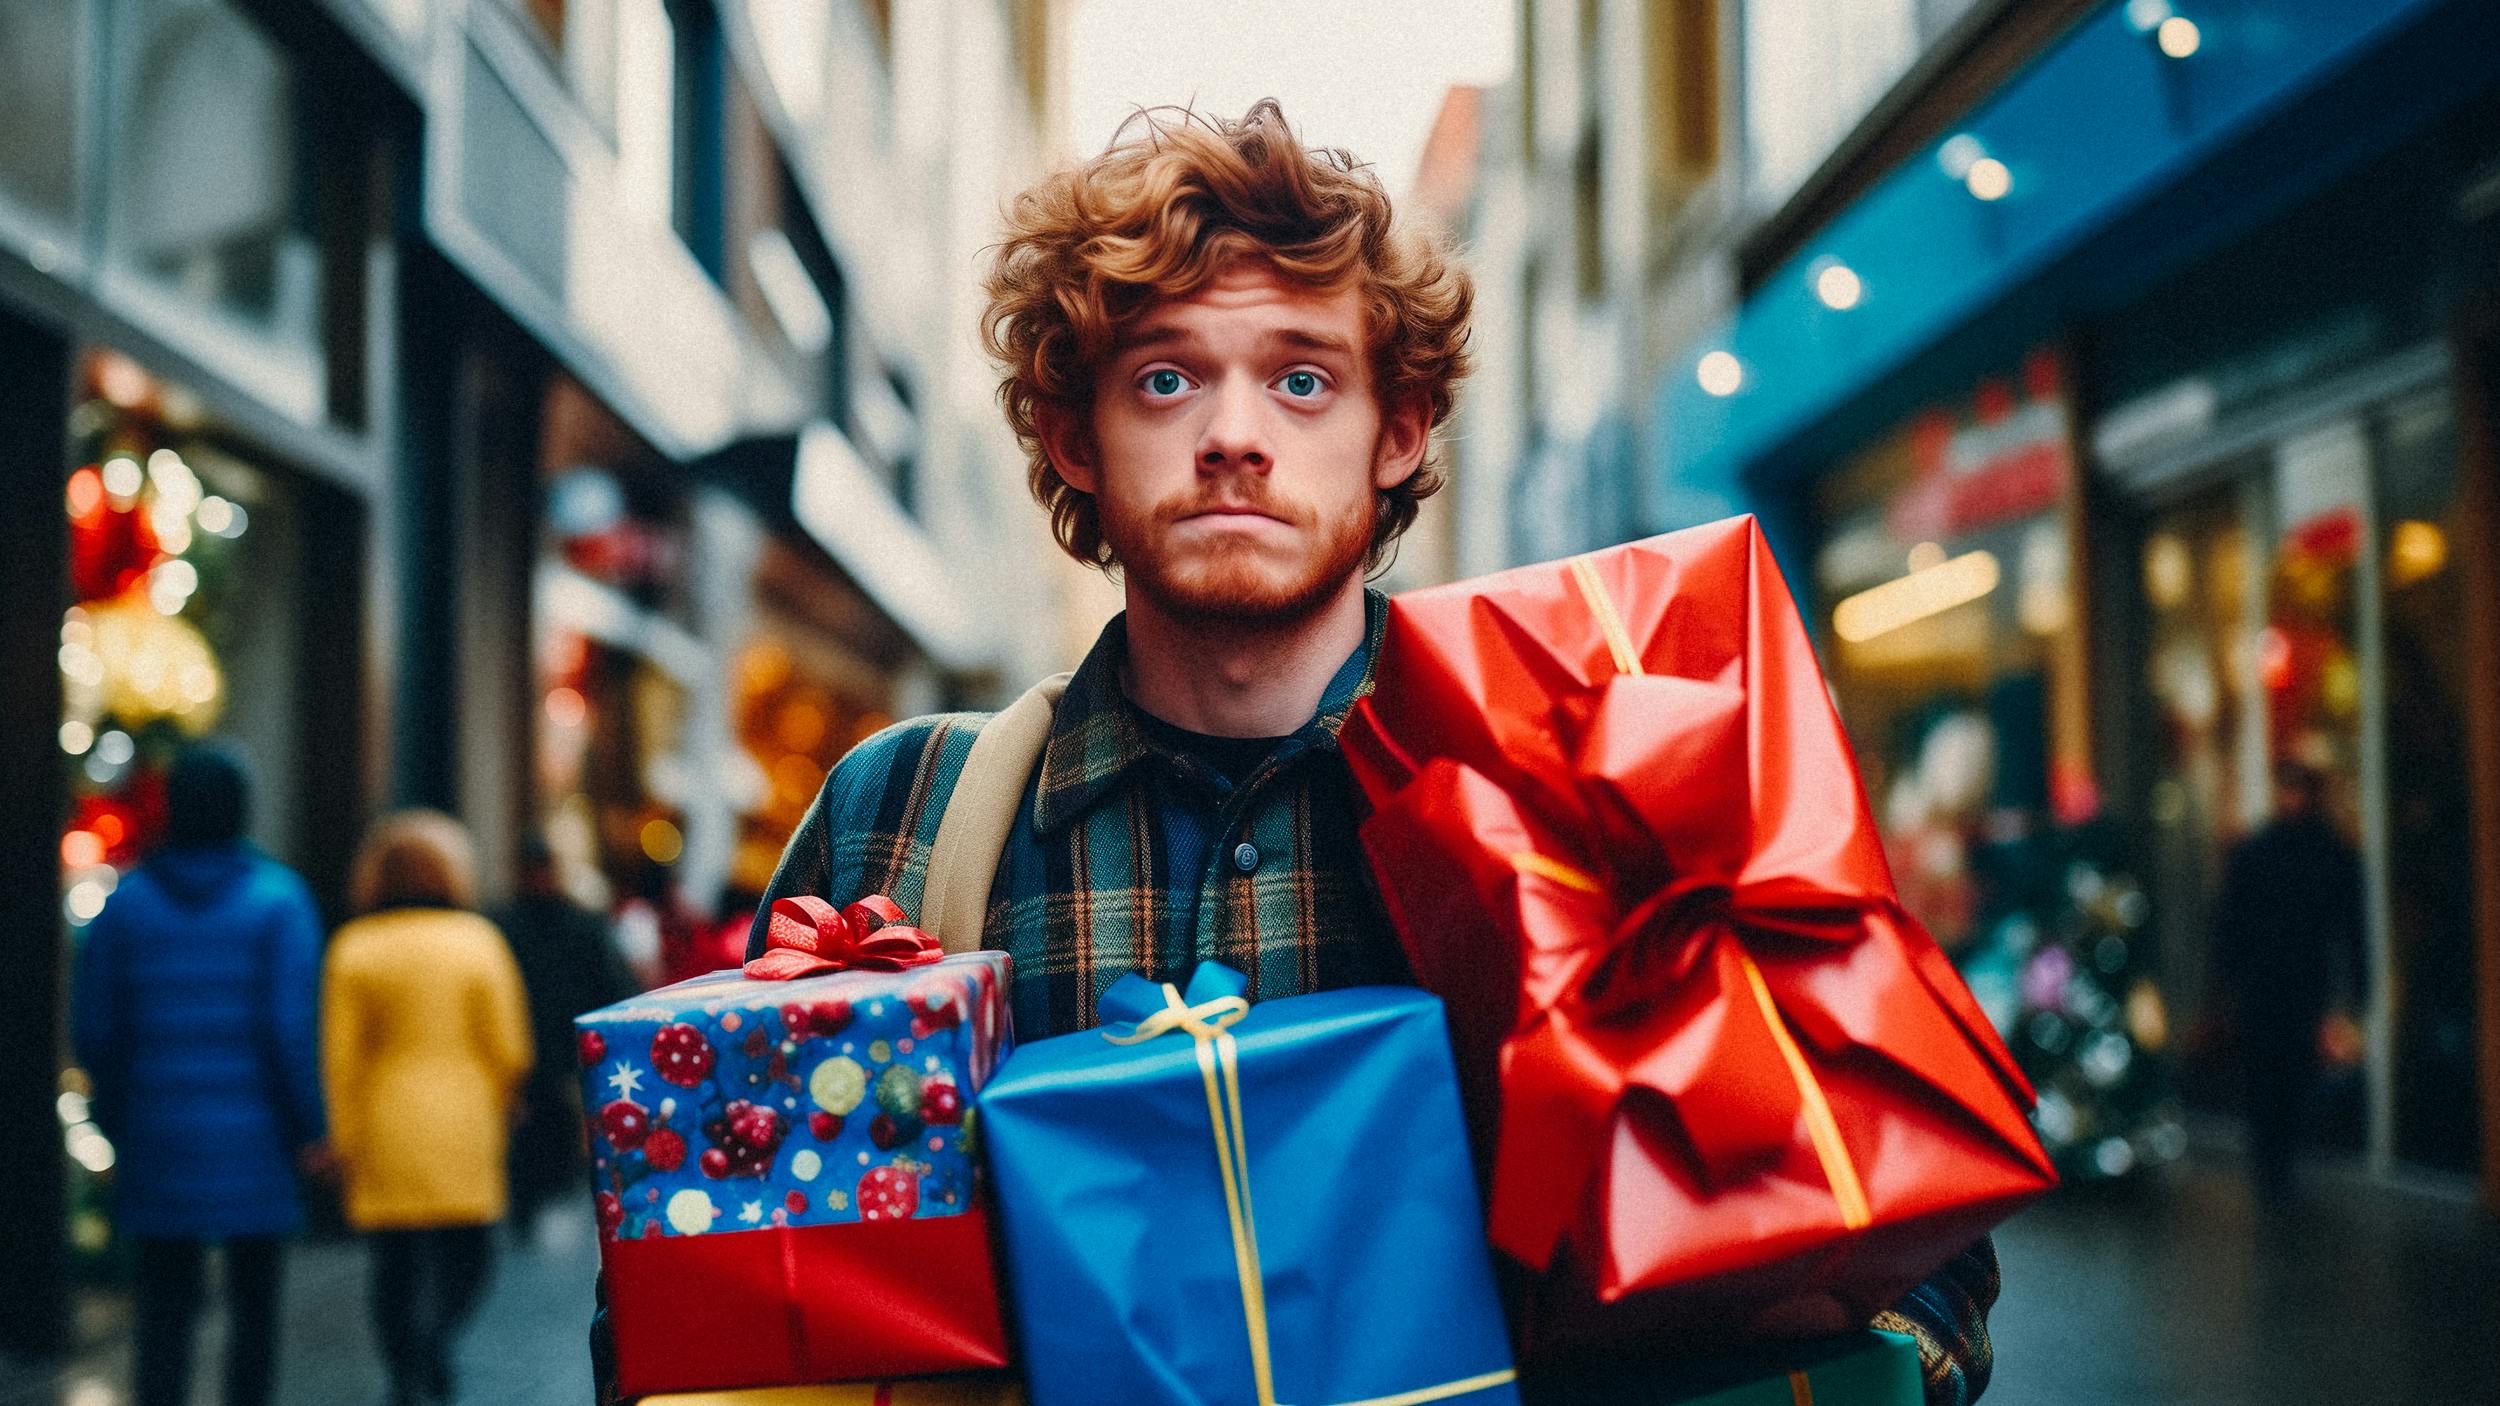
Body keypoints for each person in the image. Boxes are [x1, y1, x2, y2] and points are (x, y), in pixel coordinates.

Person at [593, 100, 1999, 1405]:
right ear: (1072, 436)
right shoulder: (901, 815)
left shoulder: (1584, 784)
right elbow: (698, 1284)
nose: (1233, 438)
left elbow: (1917, 1260)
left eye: (1303, 381)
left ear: (1399, 430)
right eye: (1163, 379)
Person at [71, 747, 325, 1406]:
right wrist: (310, 1128)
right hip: (258, 1142)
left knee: (163, 1311)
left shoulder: (125, 907)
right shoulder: (280, 901)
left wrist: (118, 1116)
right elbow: (291, 1033)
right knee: (254, 1309)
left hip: (157, 1137)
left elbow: (95, 1029)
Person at [324, 810, 533, 1406]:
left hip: (385, 1122)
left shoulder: (353, 946)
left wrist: (340, 1137)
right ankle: (434, 1345)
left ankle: (408, 1368)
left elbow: (340, 1058)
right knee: (470, 1256)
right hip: (465, 1121)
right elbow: (510, 1045)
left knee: (392, 1265)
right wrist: (510, 1100)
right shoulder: (478, 941)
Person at [2212, 759, 2368, 1204]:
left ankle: (2281, 1162)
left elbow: (2349, 925)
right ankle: (2272, 1164)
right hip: (2267, 984)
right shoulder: (2263, 851)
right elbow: (2231, 921)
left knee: (2292, 1074)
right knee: (2267, 1075)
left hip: (2299, 983)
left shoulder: (2325, 853)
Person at [495, 834, 639, 1241]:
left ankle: (544, 1204)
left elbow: (615, 984)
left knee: (550, 1136)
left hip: (556, 1048)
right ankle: (538, 1206)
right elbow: (617, 985)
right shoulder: (579, 923)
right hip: (549, 1047)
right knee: (544, 1136)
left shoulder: (506, 924)